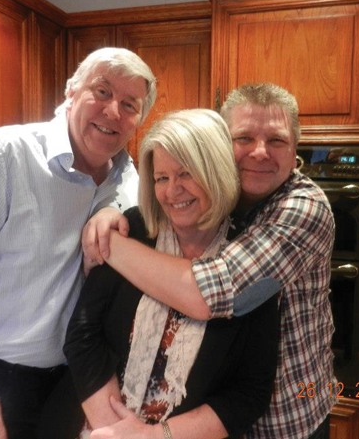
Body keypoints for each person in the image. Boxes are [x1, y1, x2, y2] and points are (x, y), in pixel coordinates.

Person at [0, 48, 157, 439]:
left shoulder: (130, 183)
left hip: (72, 390)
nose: (113, 111)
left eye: (129, 104)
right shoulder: (3, 157)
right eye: (101, 92)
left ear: (139, 119)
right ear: (71, 92)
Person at [83, 83, 336, 439]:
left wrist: (107, 242)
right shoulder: (210, 208)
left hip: (286, 419)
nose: (260, 153)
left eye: (276, 140)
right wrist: (110, 212)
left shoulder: (302, 208)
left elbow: (209, 293)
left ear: (295, 148)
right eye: (244, 138)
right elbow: (84, 334)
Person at [65, 109, 279, 439]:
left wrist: (157, 436)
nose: (172, 191)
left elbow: (248, 393)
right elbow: (82, 334)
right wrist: (113, 430)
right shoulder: (133, 229)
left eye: (186, 174)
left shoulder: (247, 257)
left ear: (216, 172)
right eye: (162, 178)